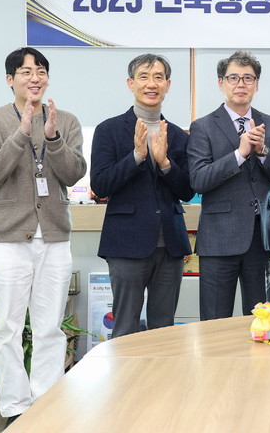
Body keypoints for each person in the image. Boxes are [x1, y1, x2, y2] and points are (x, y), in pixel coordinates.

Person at [0, 47, 86, 426]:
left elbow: (73, 173)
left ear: (47, 78)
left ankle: (46, 405)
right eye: (25, 71)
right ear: (10, 79)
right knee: (6, 328)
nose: (34, 78)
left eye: (40, 71)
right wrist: (21, 134)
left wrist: (52, 138)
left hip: (53, 236)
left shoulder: (65, 120)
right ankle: (15, 407)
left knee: (49, 327)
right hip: (7, 239)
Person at [90, 54, 194, 338]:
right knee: (125, 328)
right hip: (126, 243)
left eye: (159, 77)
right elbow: (100, 185)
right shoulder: (109, 130)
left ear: (168, 85)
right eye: (144, 77)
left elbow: (188, 190)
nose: (152, 84)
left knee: (163, 330)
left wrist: (165, 164)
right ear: (131, 83)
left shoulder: (178, 135)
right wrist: (136, 156)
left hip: (170, 245)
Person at [187, 51, 270, 320]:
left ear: (256, 84)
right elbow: (199, 180)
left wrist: (263, 152)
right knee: (214, 322)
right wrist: (240, 153)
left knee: (260, 322)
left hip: (260, 239)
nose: (241, 84)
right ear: (220, 83)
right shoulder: (202, 127)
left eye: (248, 78)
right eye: (233, 78)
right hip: (218, 239)